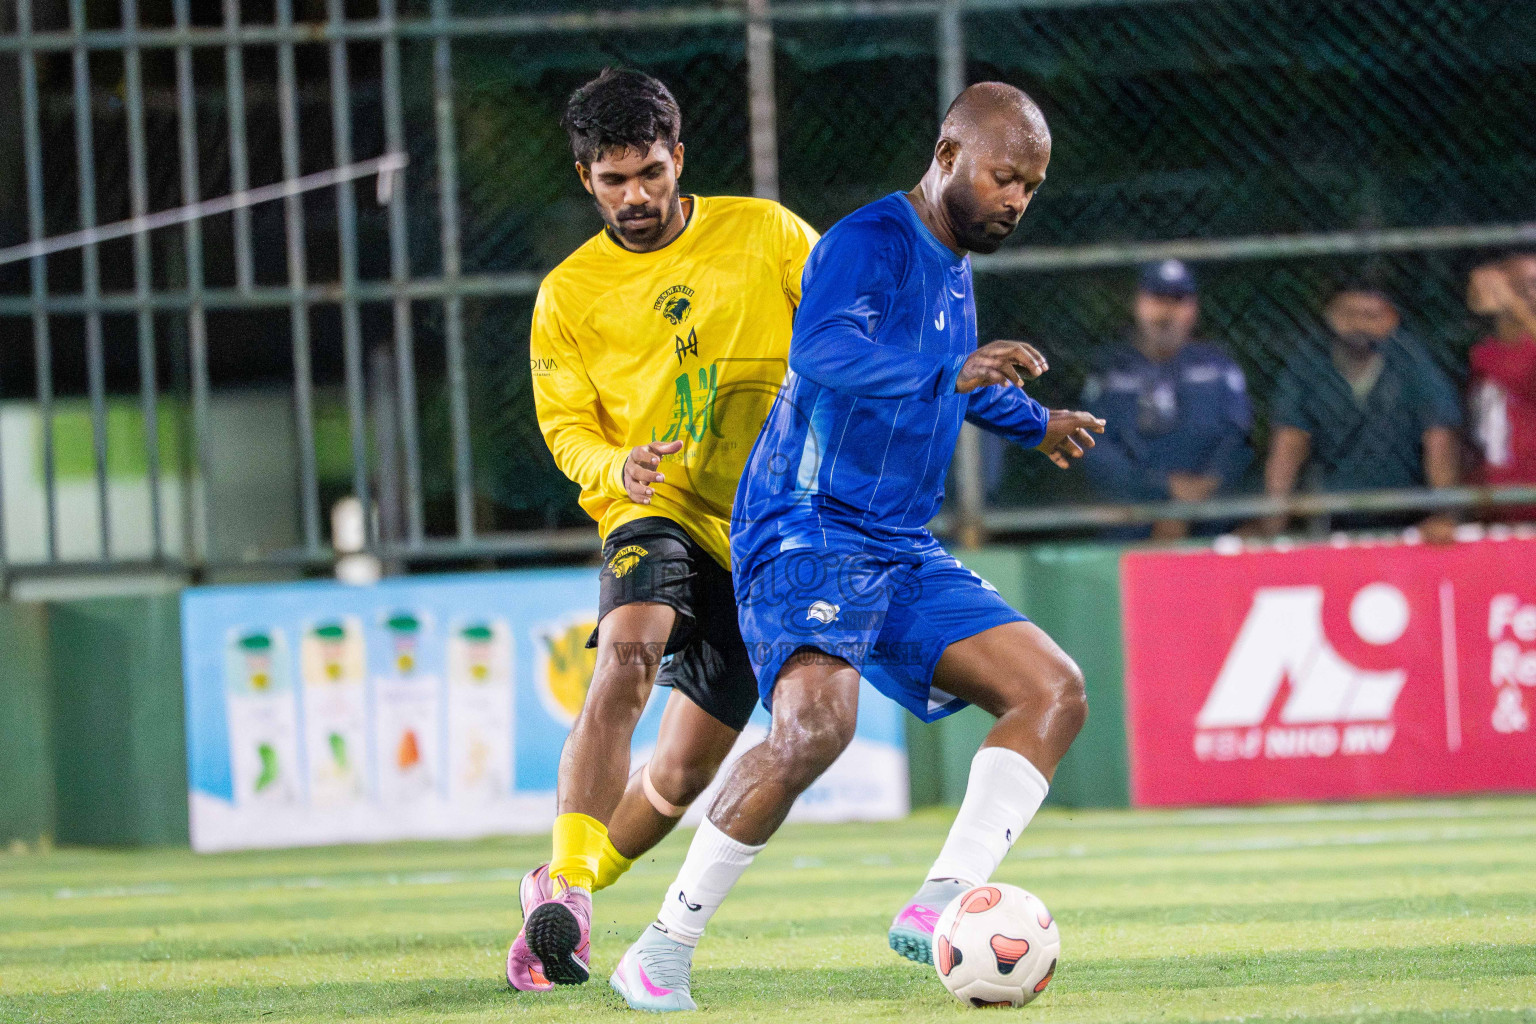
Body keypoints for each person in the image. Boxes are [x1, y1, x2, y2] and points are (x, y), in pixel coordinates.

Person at [606, 82, 1105, 1012]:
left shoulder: (955, 265)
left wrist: (1032, 421)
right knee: (814, 728)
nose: (1016, 201)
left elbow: (949, 380)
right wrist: (952, 370)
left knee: (1053, 690)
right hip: (804, 523)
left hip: (894, 541)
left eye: (1030, 187)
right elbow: (825, 352)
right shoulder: (867, 242)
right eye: (1004, 177)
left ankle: (943, 902)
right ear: (949, 154)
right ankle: (662, 948)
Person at [511, 68, 819, 990]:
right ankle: (567, 882)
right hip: (655, 507)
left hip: (769, 528)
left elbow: (849, 324)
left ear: (677, 158)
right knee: (628, 651)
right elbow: (567, 431)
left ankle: (558, 902)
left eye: (649, 173)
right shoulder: (567, 297)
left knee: (679, 779)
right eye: (613, 181)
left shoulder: (765, 232)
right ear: (585, 180)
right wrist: (619, 470)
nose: (635, 197)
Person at [1261, 284, 1461, 538]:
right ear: (1330, 315)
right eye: (1348, 314)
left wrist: (1445, 515)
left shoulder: (1414, 364)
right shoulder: (1308, 365)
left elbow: (1439, 440)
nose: (1359, 324)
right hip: (1332, 516)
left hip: (1409, 514)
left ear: (1392, 319)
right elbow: (1288, 444)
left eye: (1371, 316)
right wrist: (1271, 521)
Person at [1080, 259, 1251, 539]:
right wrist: (1163, 489)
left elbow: (1238, 438)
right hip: (1131, 520)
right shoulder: (1110, 371)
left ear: (1194, 308)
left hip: (1211, 521)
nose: (1166, 313)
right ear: (1137, 304)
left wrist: (1202, 488)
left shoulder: (1219, 367)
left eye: (1178, 300)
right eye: (1157, 299)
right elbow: (1094, 447)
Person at [1467, 253, 1536, 518]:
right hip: (1497, 500)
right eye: (1521, 286)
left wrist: (1514, 304)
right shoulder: (1482, 355)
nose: (1530, 295)